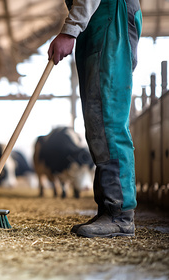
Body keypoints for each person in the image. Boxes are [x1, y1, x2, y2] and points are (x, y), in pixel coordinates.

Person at [48, 0, 142, 238]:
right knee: (96, 120)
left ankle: (119, 215)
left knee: (107, 117)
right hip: (98, 23)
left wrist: (70, 29)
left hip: (110, 17)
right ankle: (107, 209)